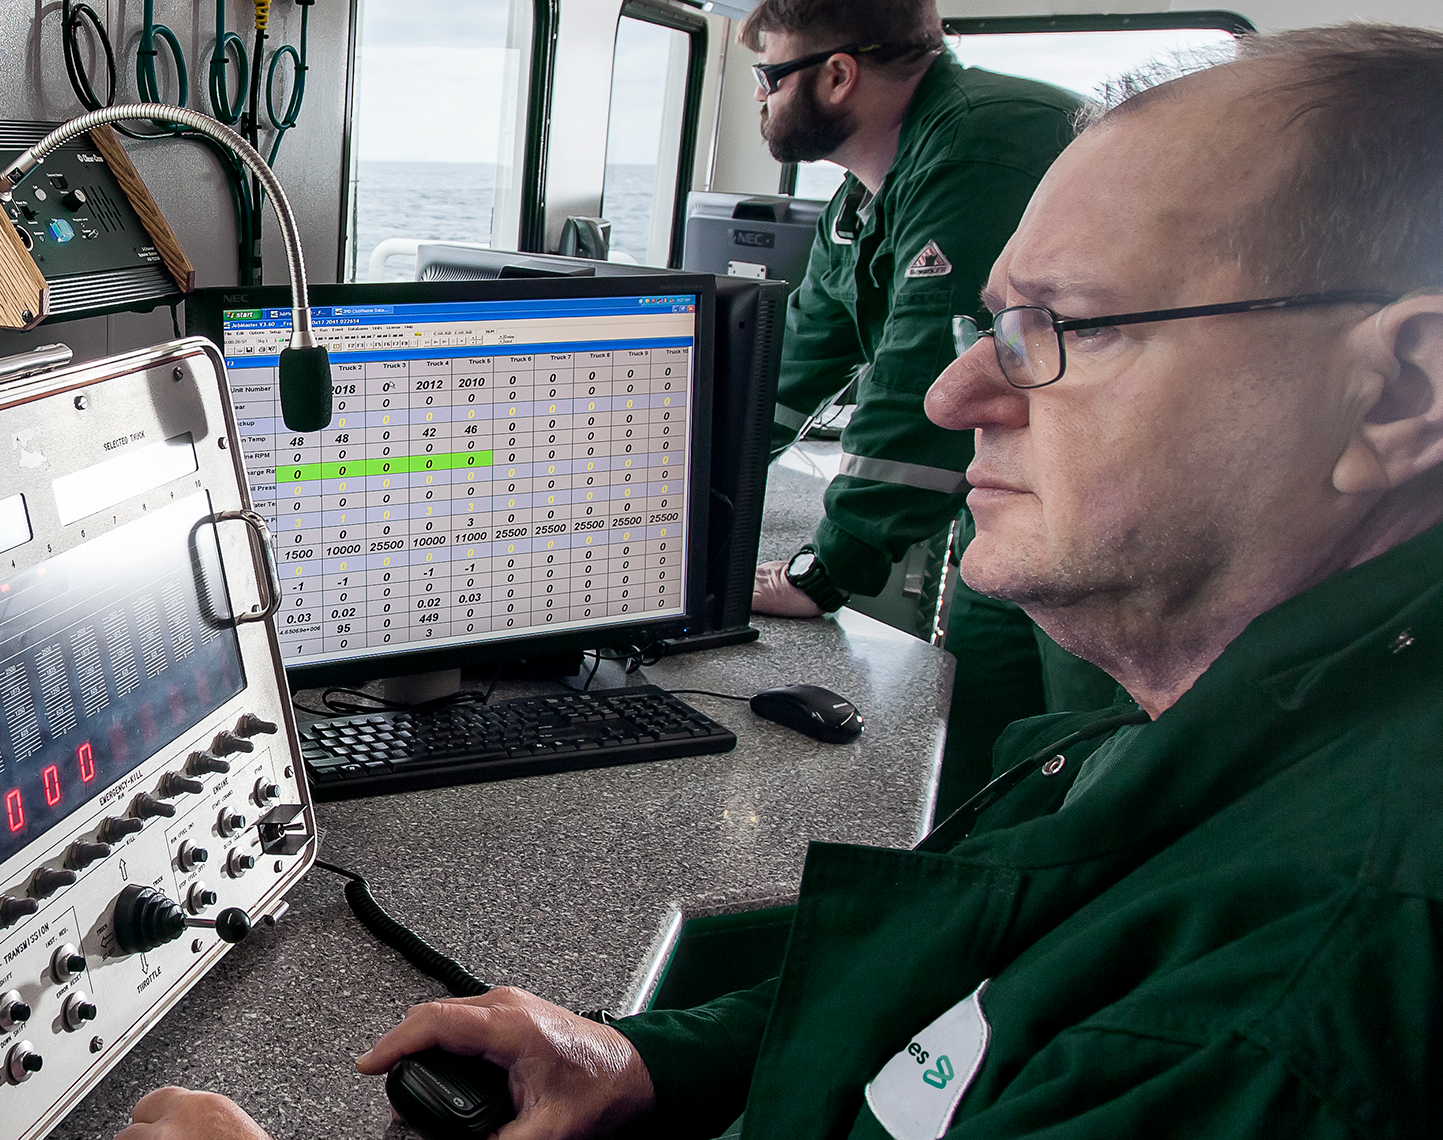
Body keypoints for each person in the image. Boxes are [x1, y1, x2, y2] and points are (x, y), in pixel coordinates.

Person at [120, 23, 1443, 1140]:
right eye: (995, 321)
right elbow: (967, 1001)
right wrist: (651, 1059)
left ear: (1399, 391)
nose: (954, 389)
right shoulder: (1246, 734)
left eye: (1063, 328)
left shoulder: (1286, 1007)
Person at [731, 0, 1116, 804]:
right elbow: (785, 368)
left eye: (767, 76)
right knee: (983, 735)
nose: (758, 98)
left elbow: (925, 386)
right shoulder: (863, 202)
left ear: (837, 76)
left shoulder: (980, 149)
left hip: (1107, 504)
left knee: (1097, 758)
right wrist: (673, 500)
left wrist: (825, 570)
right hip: (1012, 496)